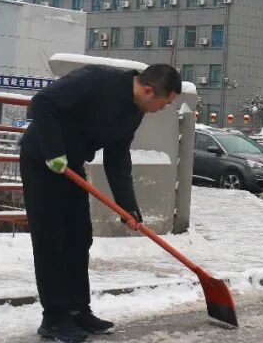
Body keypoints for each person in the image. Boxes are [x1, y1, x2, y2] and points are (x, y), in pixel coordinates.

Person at [20, 63, 182, 343]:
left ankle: (77, 309)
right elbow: (42, 103)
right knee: (51, 238)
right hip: (43, 159)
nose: (162, 109)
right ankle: (54, 318)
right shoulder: (95, 80)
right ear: (148, 90)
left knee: (79, 237)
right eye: (164, 104)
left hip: (72, 166)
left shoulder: (134, 112)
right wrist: (53, 151)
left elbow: (117, 160)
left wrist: (127, 207)